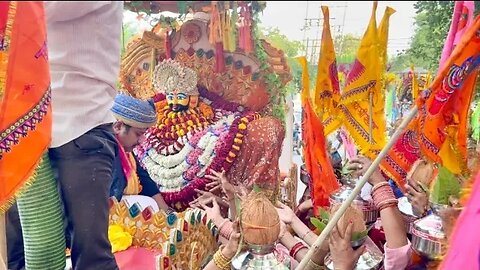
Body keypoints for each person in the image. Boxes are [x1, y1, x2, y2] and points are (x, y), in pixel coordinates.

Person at [44, 2, 123, 269]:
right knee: (25, 251)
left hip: (79, 126)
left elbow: (41, 10)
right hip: (31, 128)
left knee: (91, 257)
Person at [109, 94, 170, 212]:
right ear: (118, 127)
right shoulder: (104, 152)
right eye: (138, 134)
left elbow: (145, 181)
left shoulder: (127, 153)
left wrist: (167, 213)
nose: (142, 140)